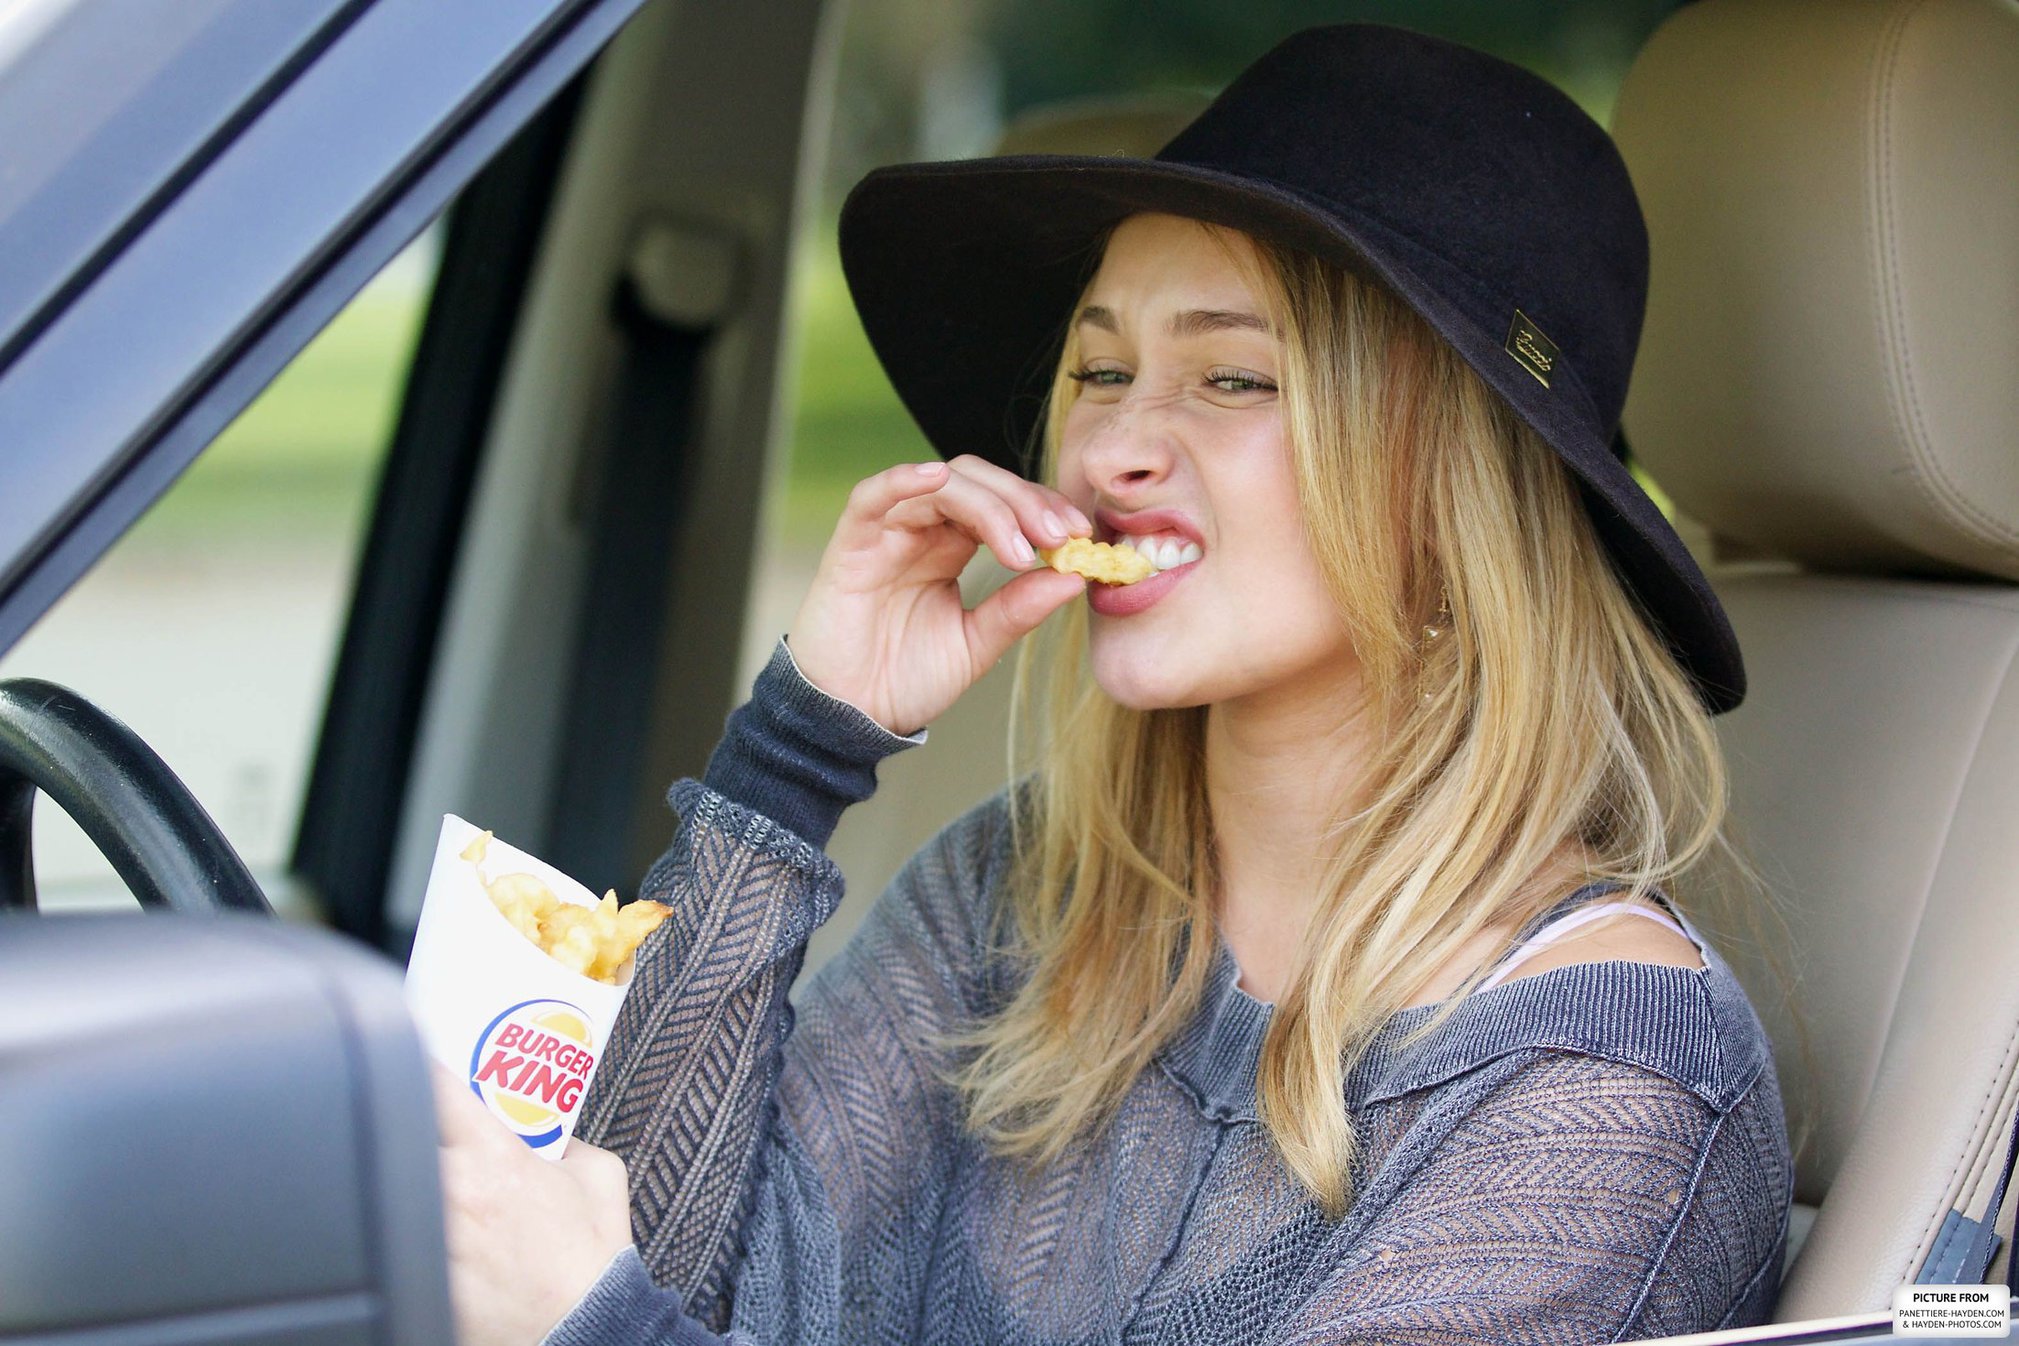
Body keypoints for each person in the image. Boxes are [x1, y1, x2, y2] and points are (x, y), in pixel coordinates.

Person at [433, 24, 1792, 1346]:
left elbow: (591, 1305)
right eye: (1100, 369)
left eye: (1233, 375)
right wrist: (798, 748)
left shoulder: (1605, 1078)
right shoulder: (1019, 897)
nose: (1117, 444)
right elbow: (639, 1256)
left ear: (1447, 492)